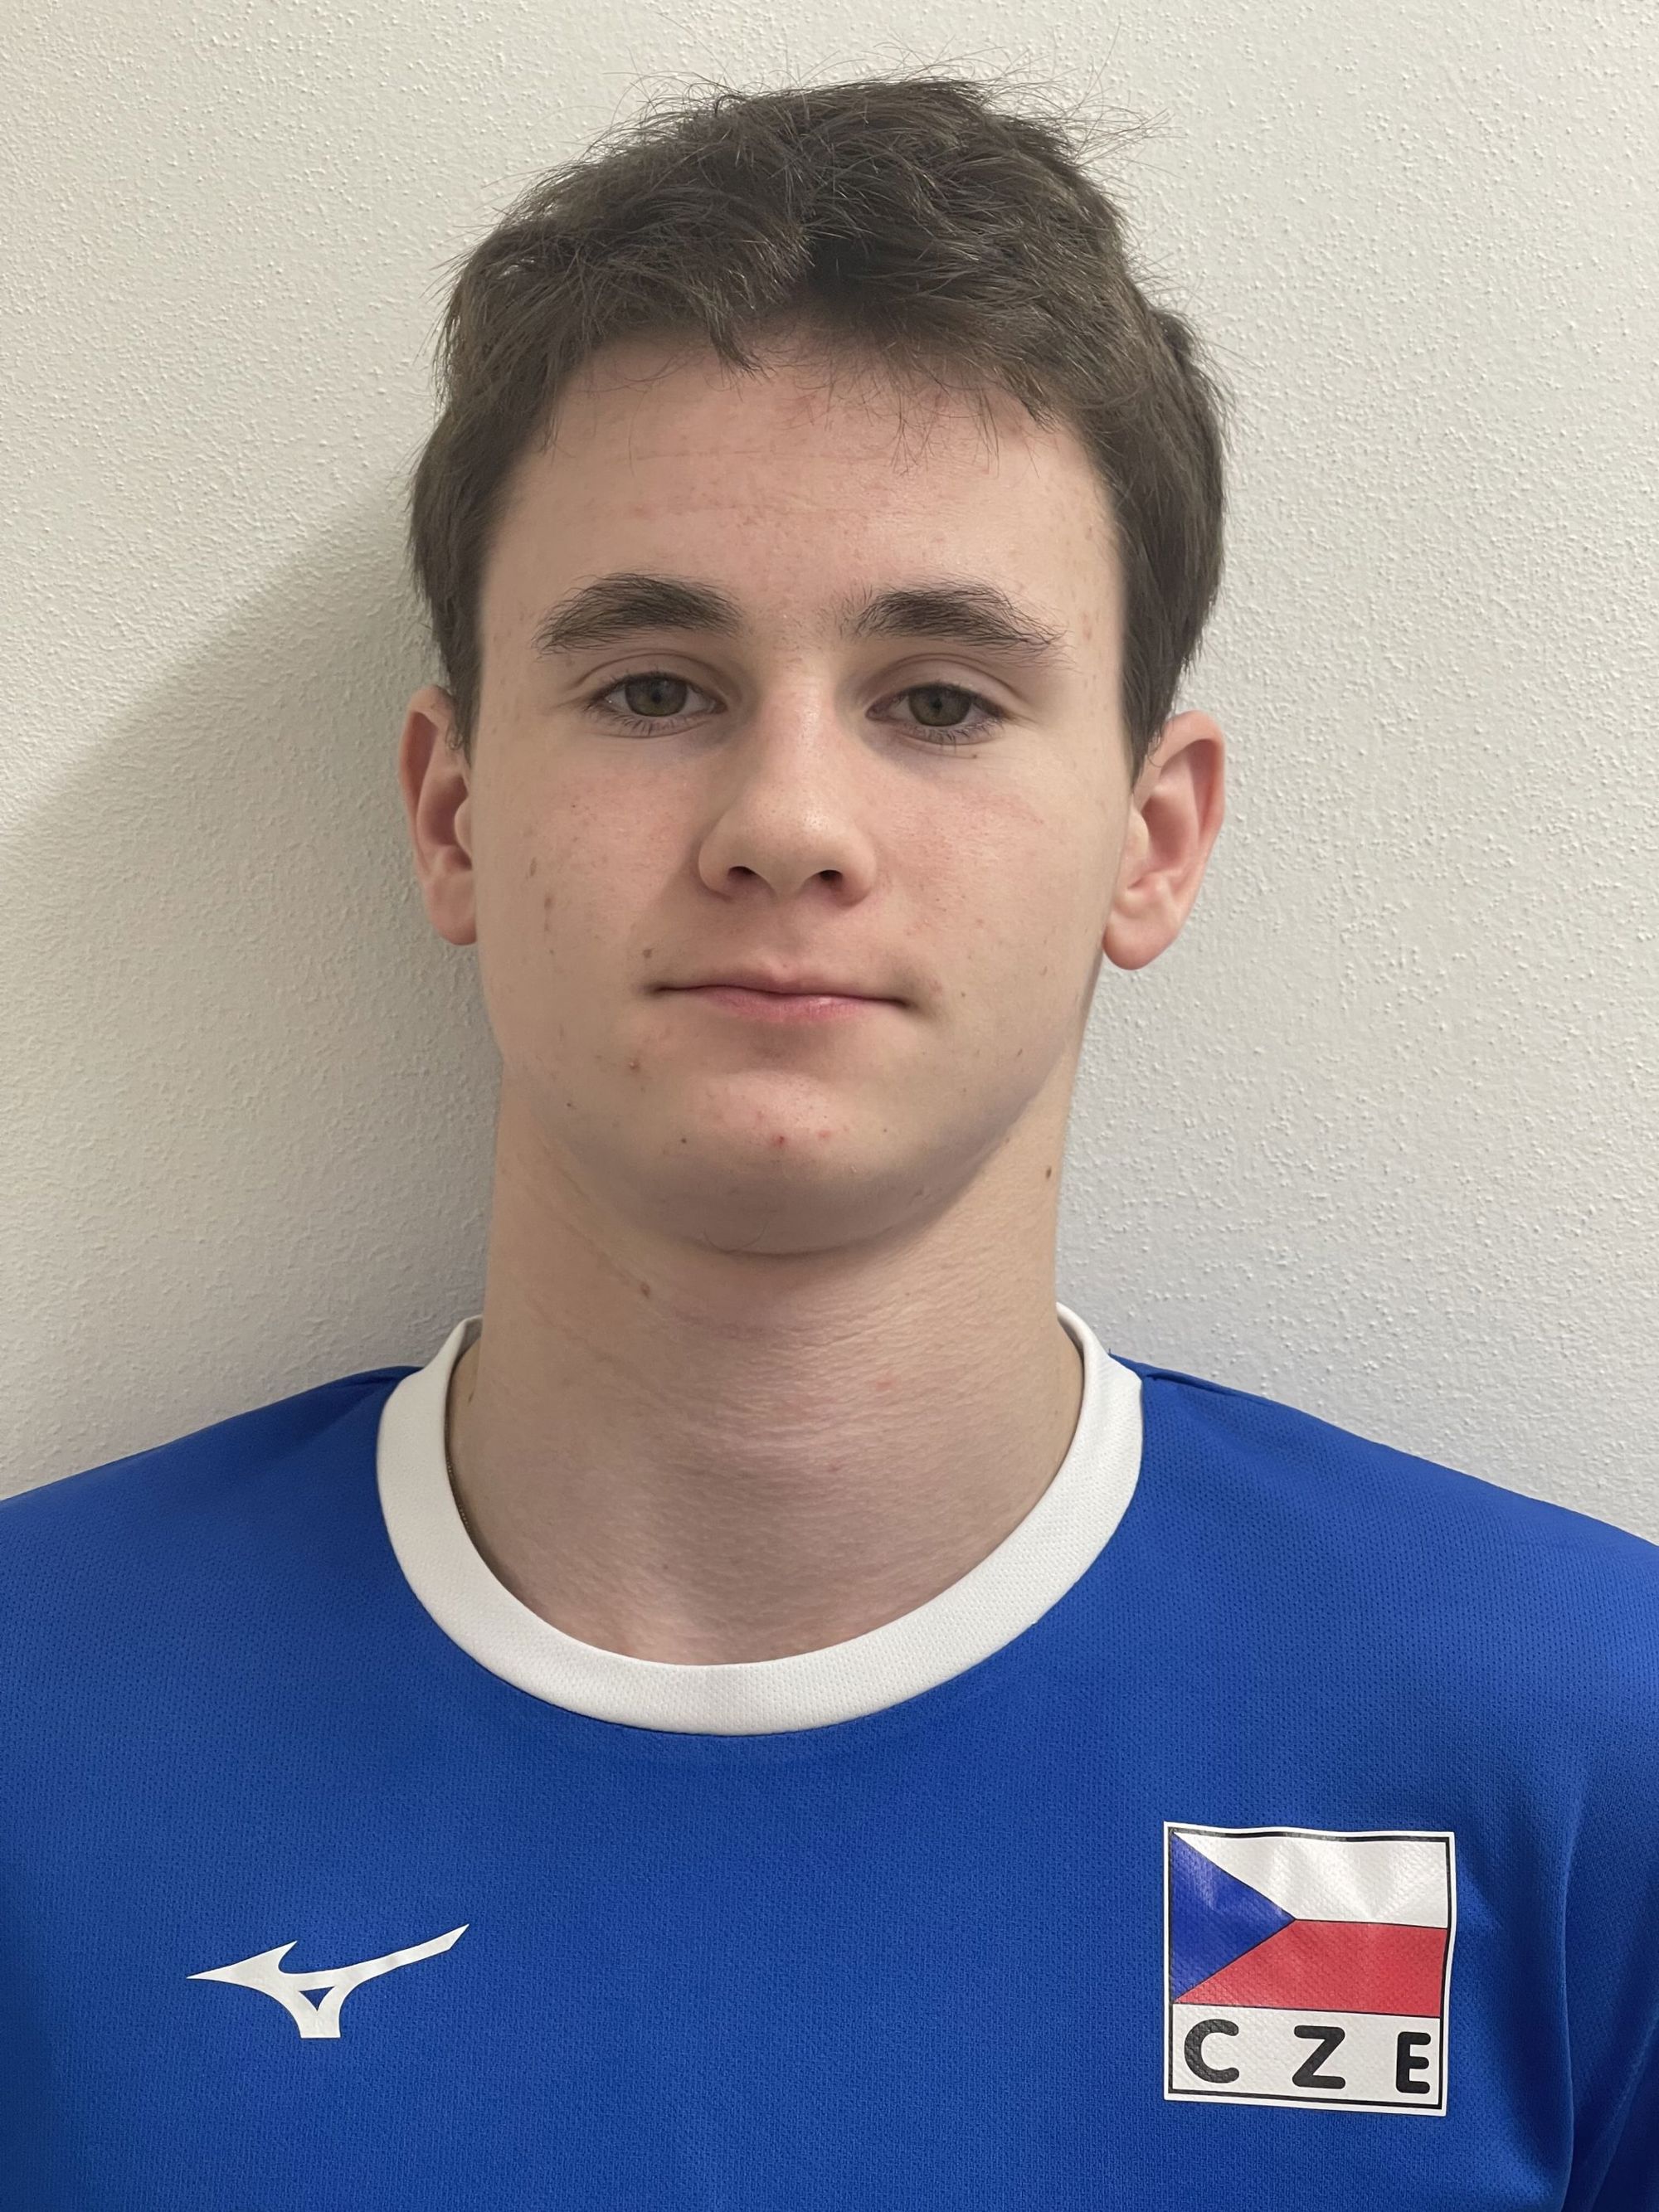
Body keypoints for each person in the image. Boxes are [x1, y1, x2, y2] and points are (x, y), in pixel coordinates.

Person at [2, 70, 1655, 2212]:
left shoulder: (1583, 1748)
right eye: (652, 686)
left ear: (1153, 840)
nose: (788, 822)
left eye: (941, 698)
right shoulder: (38, 1719)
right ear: (453, 812)